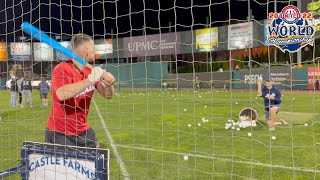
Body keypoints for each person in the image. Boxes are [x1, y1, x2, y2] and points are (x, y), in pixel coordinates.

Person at [45, 33, 115, 148]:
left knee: (96, 163)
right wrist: (89, 80)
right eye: (93, 47)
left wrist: (108, 84)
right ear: (87, 49)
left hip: (82, 131)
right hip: (59, 133)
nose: (95, 50)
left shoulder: (90, 71)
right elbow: (61, 94)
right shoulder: (62, 68)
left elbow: (107, 95)